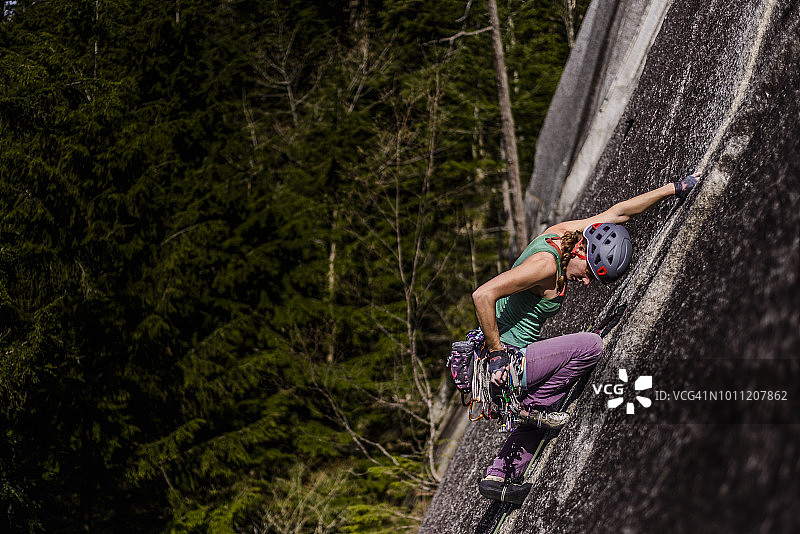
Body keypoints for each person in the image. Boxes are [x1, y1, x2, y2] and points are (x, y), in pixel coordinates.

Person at [473, 173, 699, 503]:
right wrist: (496, 354)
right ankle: (530, 411)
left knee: (553, 393)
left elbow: (620, 213)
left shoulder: (568, 235)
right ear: (583, 254)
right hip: (498, 365)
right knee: (589, 346)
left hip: (508, 359)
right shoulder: (546, 265)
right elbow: (483, 294)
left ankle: (500, 476)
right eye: (590, 274)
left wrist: (675, 188)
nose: (587, 283)